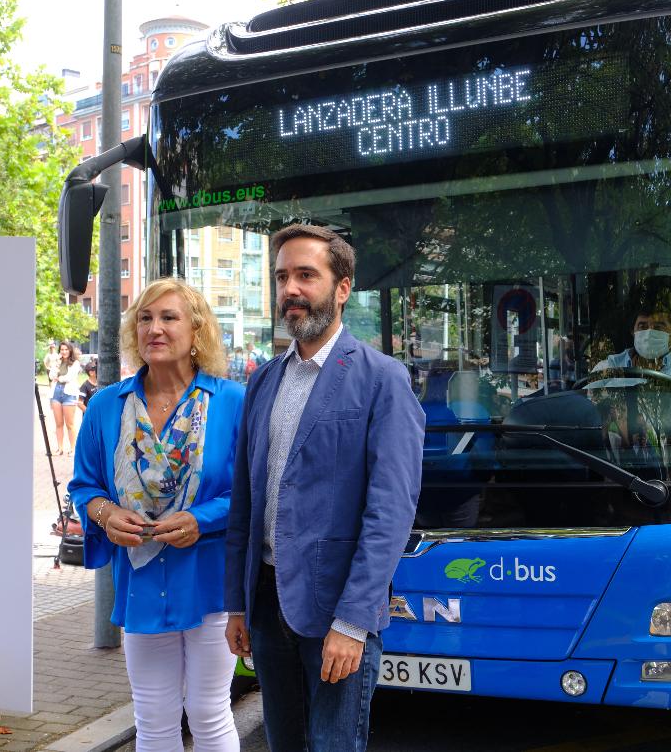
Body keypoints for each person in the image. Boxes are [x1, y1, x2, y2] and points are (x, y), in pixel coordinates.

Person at [224, 224, 425, 752]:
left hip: (337, 610)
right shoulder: (264, 380)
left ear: (342, 288)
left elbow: (390, 513)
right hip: (268, 606)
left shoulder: (383, 380)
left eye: (306, 275)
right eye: (282, 276)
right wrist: (238, 606)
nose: (290, 288)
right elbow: (245, 498)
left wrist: (355, 622)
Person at [69, 278, 245, 752]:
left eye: (169, 318)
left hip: (210, 582)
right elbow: (84, 486)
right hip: (141, 582)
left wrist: (200, 520)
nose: (155, 329)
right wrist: (106, 515)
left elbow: (253, 493)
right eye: (145, 318)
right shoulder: (107, 405)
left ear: (197, 330)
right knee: (153, 718)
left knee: (209, 713)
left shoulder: (233, 402)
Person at [592, 275, 671, 392]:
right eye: (642, 326)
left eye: (659, 326)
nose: (649, 332)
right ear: (632, 331)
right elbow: (590, 403)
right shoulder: (610, 366)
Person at [50, 341, 82, 455]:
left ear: (70, 350)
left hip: (69, 394)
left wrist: (59, 378)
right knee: (58, 423)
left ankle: (73, 449)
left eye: (66, 349)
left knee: (70, 424)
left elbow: (69, 377)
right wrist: (57, 364)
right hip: (56, 393)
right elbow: (51, 375)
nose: (64, 352)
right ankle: (60, 448)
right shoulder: (58, 362)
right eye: (62, 349)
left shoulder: (75, 363)